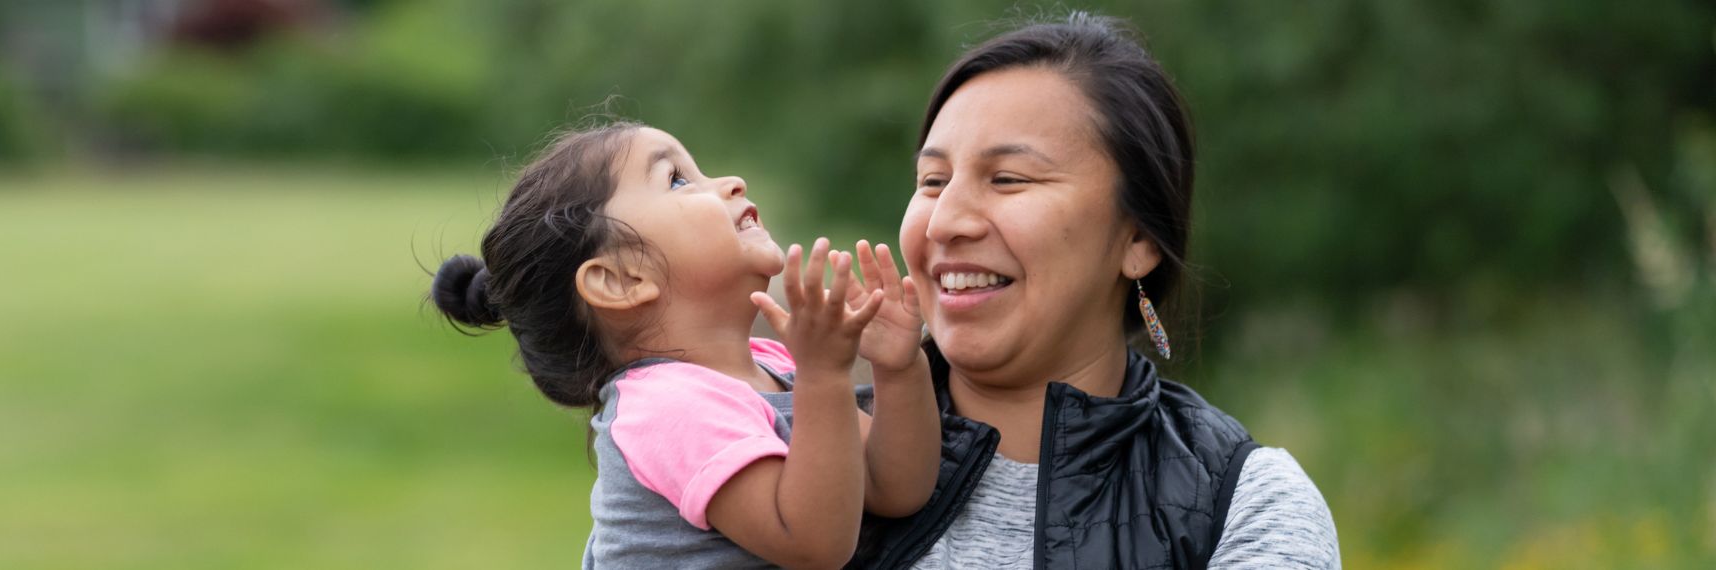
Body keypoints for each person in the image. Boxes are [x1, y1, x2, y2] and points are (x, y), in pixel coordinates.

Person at [848, 13, 1341, 569]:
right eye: (933, 182)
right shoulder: (801, 453)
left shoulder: (1244, 503)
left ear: (1139, 238)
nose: (944, 223)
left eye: (1008, 178)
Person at [428, 123, 941, 569]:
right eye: (677, 179)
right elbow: (816, 543)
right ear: (621, 280)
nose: (731, 181)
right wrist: (825, 377)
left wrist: (898, 367)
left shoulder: (774, 366)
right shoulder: (665, 407)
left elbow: (894, 488)